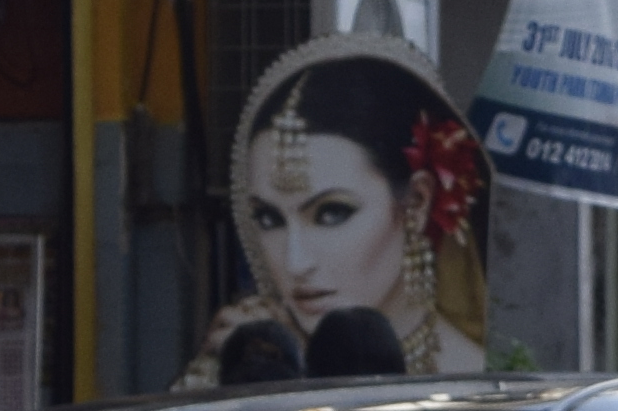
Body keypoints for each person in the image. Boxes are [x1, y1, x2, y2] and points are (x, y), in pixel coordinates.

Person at [197, 33, 483, 385]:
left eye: (331, 213)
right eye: (270, 218)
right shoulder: (242, 359)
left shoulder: (478, 382)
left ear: (416, 202)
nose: (296, 263)